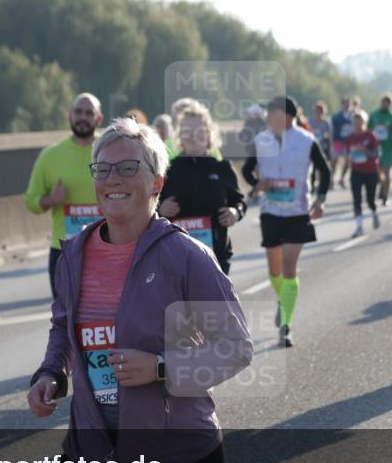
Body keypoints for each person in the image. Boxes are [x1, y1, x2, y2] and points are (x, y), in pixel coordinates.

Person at [27, 117, 252, 463]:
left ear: (156, 182)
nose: (112, 180)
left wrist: (163, 369)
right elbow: (63, 328)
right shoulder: (74, 253)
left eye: (128, 167)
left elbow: (235, 349)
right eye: (102, 169)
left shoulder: (187, 257)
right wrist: (51, 373)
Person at [242, 96, 330, 347]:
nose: (269, 118)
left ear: (288, 116)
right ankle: (284, 299)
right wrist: (256, 183)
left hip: (298, 211)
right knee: (274, 271)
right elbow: (248, 170)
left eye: (274, 113)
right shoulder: (261, 140)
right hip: (270, 211)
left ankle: (286, 325)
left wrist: (320, 200)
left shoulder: (306, 140)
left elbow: (325, 171)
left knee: (289, 267)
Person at [24, 93, 104, 295]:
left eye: (89, 113)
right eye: (78, 112)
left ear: (99, 119)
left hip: (106, 247)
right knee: (65, 318)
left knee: (107, 318)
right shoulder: (50, 155)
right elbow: (31, 201)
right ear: (70, 116)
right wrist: (51, 199)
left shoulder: (111, 152)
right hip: (64, 249)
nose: (83, 117)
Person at [158, 101, 246, 274]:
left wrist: (235, 212)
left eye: (199, 131)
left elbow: (239, 202)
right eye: (187, 131)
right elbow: (150, 207)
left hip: (216, 256)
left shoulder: (222, 168)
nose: (192, 136)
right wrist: (160, 209)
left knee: (210, 302)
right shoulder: (168, 169)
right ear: (180, 135)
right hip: (177, 255)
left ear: (209, 134)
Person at [345, 110, 380, 236]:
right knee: (356, 199)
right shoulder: (350, 138)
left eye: (359, 123)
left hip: (370, 171)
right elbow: (347, 155)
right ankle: (359, 227)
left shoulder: (370, 136)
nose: (357, 126)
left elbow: (376, 155)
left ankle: (374, 212)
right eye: (354, 123)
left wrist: (364, 150)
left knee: (370, 200)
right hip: (356, 172)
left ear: (364, 123)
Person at [367, 93, 392, 206]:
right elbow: (367, 129)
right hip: (375, 148)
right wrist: (373, 130)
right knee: (377, 172)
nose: (384, 105)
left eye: (387, 103)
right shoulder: (374, 115)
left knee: (386, 172)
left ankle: (385, 196)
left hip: (388, 149)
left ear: (390, 104)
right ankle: (381, 187)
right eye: (383, 102)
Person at [330, 96, 358, 188]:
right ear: (342, 104)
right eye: (344, 103)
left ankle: (342, 178)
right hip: (338, 141)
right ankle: (332, 179)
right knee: (334, 162)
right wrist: (331, 143)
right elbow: (331, 130)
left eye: (348, 103)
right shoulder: (336, 116)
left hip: (350, 143)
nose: (346, 105)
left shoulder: (354, 115)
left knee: (348, 162)